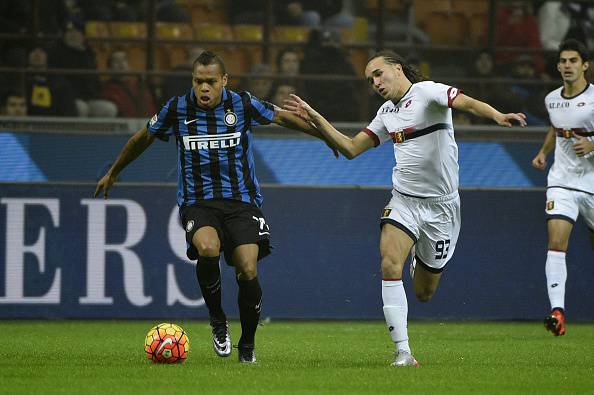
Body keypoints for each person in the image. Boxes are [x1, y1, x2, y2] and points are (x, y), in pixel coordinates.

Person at [284, 50, 526, 366]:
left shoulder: (428, 93)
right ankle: (403, 352)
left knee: (424, 292)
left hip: (442, 209)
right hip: (405, 201)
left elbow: (465, 102)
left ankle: (419, 262)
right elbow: (351, 148)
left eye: (379, 73)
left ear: (397, 69)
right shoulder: (386, 113)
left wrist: (496, 115)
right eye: (370, 79)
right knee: (388, 263)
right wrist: (316, 118)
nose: (375, 82)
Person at [94, 51, 336, 363]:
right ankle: (218, 320)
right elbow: (144, 136)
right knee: (208, 248)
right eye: (198, 81)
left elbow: (282, 117)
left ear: (224, 81)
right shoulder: (177, 108)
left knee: (247, 268)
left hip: (242, 202)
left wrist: (326, 136)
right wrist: (114, 171)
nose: (204, 88)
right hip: (199, 202)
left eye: (210, 81)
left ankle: (246, 345)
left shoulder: (243, 104)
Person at [531, 39, 594, 337]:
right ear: (557, 66)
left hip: (592, 185)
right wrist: (544, 151)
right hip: (562, 182)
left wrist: (593, 143)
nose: (567, 66)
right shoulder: (551, 99)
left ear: (585, 64)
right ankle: (558, 312)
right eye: (563, 61)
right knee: (556, 242)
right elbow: (557, 127)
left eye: (573, 61)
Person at [102, 50, 157, 118]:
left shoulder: (140, 85)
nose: (121, 64)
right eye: (116, 61)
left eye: (124, 60)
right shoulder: (108, 88)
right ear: (109, 69)